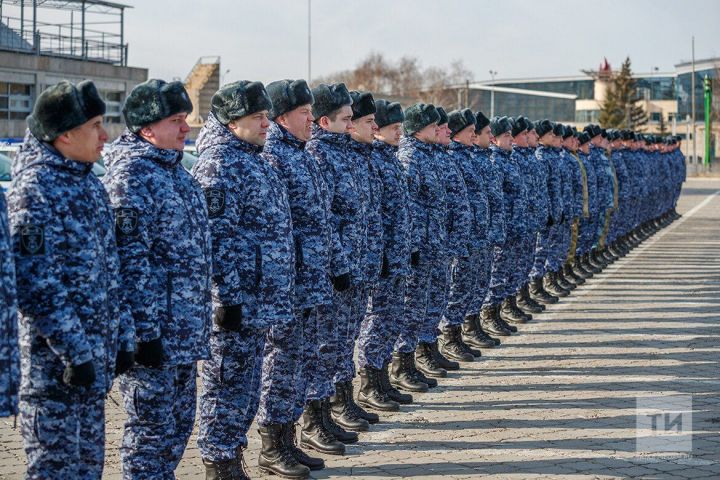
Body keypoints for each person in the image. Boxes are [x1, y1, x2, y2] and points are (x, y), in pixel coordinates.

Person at [9, 80, 134, 479]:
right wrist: (75, 352)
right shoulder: (34, 190)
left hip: (92, 364)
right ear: (65, 133)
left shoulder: (89, 184)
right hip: (56, 370)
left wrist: (123, 335)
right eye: (96, 125)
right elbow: (36, 284)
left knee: (86, 468)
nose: (105, 135)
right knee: (55, 469)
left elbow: (112, 271)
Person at [103, 79, 213, 479]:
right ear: (147, 128)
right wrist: (143, 335)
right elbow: (128, 263)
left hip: (184, 333)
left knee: (177, 428)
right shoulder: (130, 177)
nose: (187, 128)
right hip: (154, 338)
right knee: (148, 435)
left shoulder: (178, 175)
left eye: (185, 118)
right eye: (176, 120)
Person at [191, 81, 301, 479]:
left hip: (260, 299)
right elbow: (217, 239)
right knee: (225, 385)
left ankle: (234, 456)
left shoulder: (256, 158)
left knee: (246, 386)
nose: (266, 123)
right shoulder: (219, 163)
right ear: (231, 120)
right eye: (257, 117)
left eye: (267, 116)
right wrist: (227, 299)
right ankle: (219, 463)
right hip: (236, 303)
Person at [260, 79, 346, 462]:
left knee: (302, 360)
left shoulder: (301, 153)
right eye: (304, 113)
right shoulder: (273, 157)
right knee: (281, 363)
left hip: (311, 280)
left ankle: (289, 437)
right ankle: (272, 443)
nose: (312, 119)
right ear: (282, 116)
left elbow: (323, 221)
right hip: (288, 285)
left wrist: (335, 265)